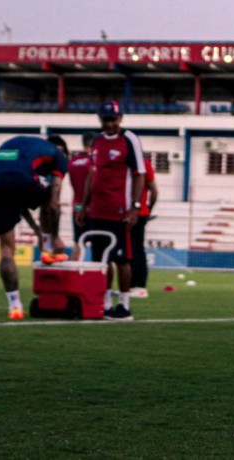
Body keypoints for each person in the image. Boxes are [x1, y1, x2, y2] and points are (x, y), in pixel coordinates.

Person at [0, 135, 69, 320]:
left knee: (6, 250)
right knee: (49, 196)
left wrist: (38, 232)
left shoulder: (29, 147)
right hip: (19, 176)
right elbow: (53, 204)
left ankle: (14, 306)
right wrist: (54, 237)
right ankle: (48, 249)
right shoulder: (59, 157)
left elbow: (20, 204)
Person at [76, 101, 146, 321]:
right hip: (97, 210)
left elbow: (139, 174)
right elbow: (92, 175)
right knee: (101, 261)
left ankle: (124, 305)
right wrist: (83, 205)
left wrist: (134, 207)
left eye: (113, 119)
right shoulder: (96, 141)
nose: (110, 124)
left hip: (119, 211)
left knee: (122, 259)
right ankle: (105, 303)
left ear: (120, 119)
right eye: (106, 119)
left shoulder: (129, 139)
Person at [130, 157, 158, 298]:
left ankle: (138, 286)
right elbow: (154, 192)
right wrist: (148, 210)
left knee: (133, 250)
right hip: (140, 213)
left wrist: (146, 211)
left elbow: (154, 191)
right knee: (136, 250)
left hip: (130, 212)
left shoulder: (139, 162)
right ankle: (135, 286)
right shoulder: (143, 162)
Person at [66, 131, 97, 260]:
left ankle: (74, 277)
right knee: (98, 245)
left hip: (77, 208)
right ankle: (99, 276)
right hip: (93, 209)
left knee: (78, 243)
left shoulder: (73, 161)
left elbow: (73, 183)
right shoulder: (93, 161)